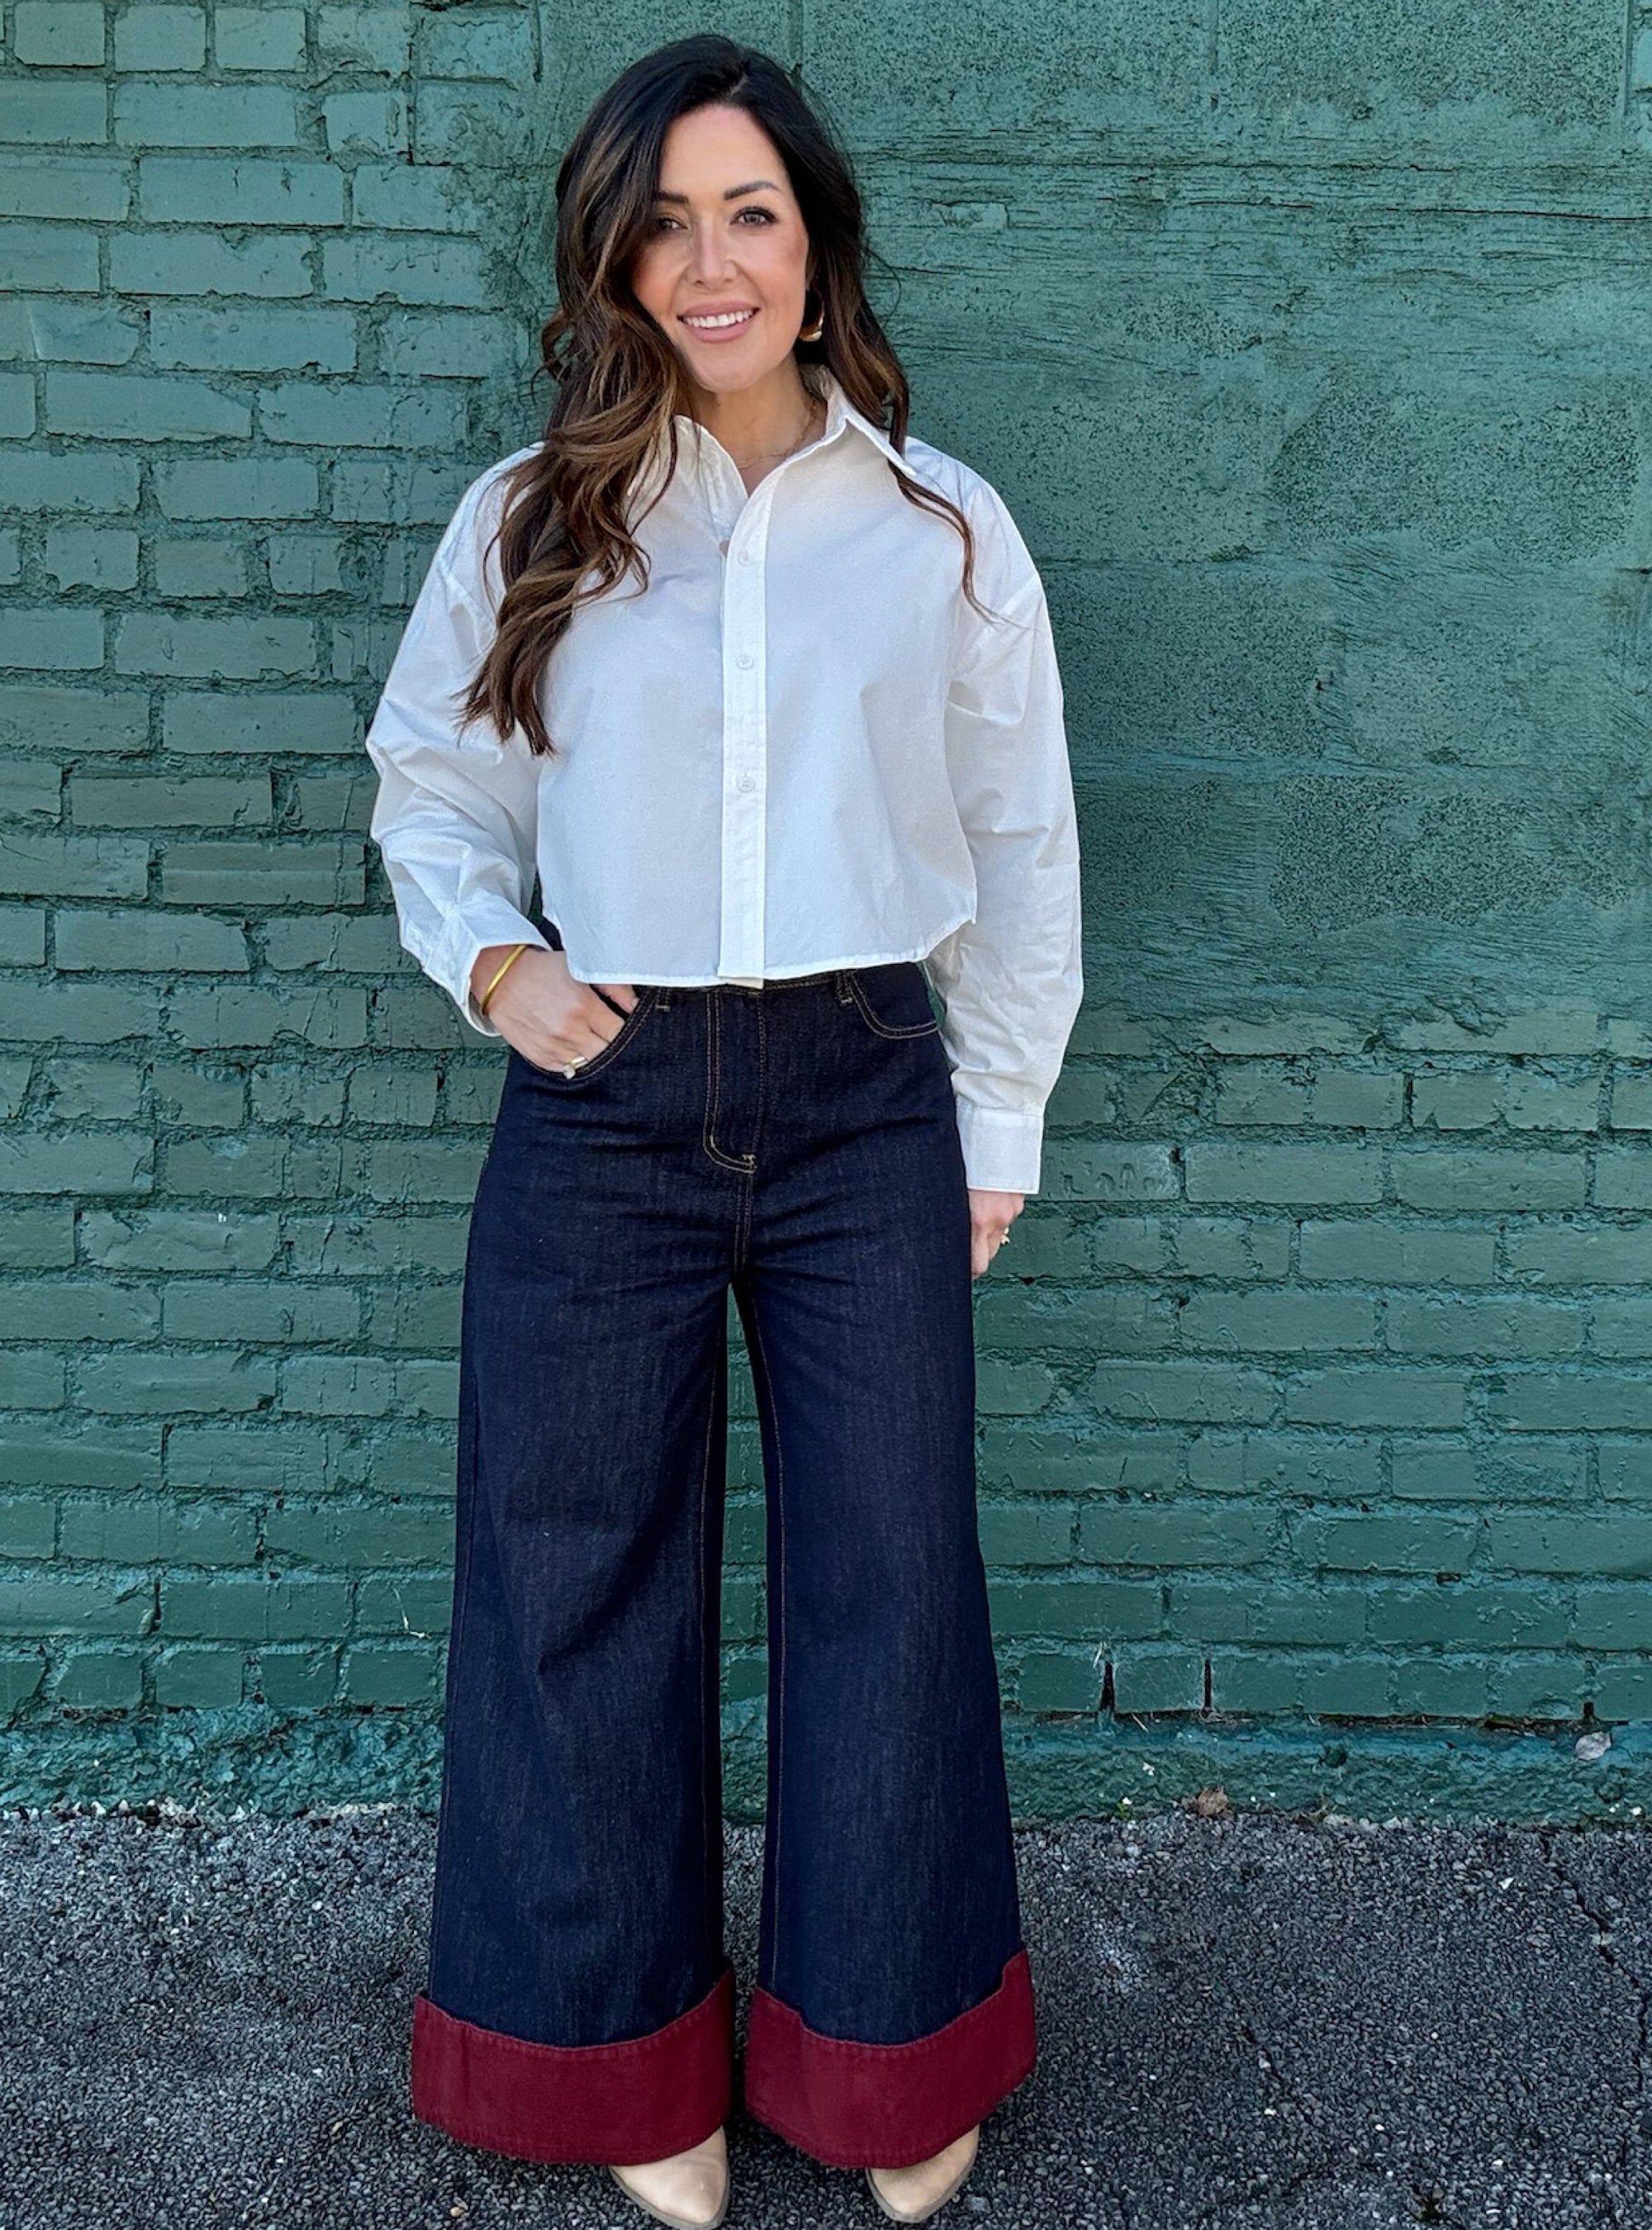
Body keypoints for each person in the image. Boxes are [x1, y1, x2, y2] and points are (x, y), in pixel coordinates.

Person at [363, 32, 1082, 2230]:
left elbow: (1023, 839)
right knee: (576, 1575)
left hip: (868, 1093)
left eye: (748, 210)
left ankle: (885, 2053)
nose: (710, 258)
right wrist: (500, 968)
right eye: (666, 218)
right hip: (605, 1110)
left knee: (887, 1576)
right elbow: (431, 789)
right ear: (615, 253)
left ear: (815, 239)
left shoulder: (941, 530)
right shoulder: (535, 518)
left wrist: (996, 1119)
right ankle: (610, 2053)